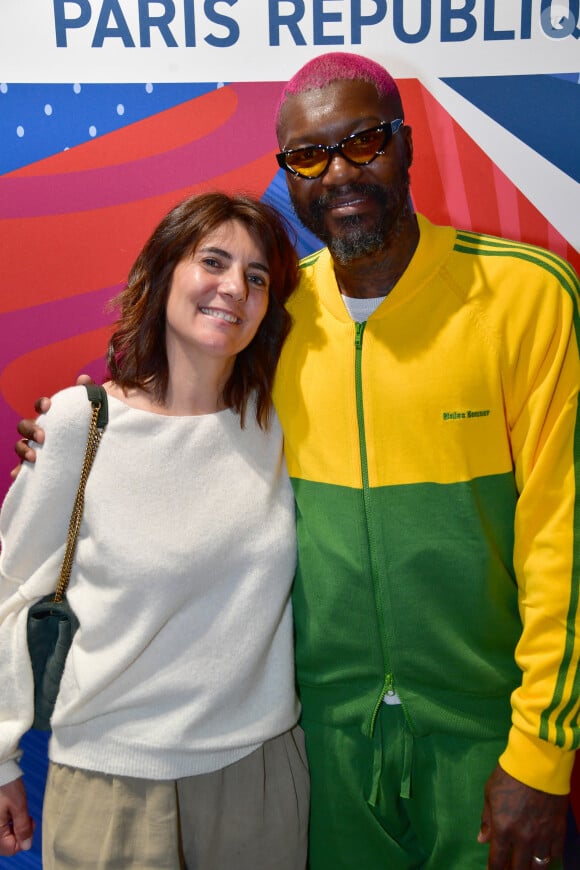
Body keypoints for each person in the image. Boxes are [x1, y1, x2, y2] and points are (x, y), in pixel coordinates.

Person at [13, 53, 580, 870]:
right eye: (310, 156)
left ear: (407, 146)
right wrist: (67, 428)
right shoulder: (271, 316)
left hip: (486, 740)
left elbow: (563, 542)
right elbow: (168, 411)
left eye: (364, 141)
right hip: (320, 752)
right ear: (288, 171)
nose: (340, 172)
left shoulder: (529, 296)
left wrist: (541, 754)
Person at [0, 192, 309, 868]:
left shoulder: (281, 421)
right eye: (214, 261)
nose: (235, 288)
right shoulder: (82, 423)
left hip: (259, 779)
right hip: (111, 786)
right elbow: (10, 588)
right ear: (165, 272)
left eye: (257, 277)